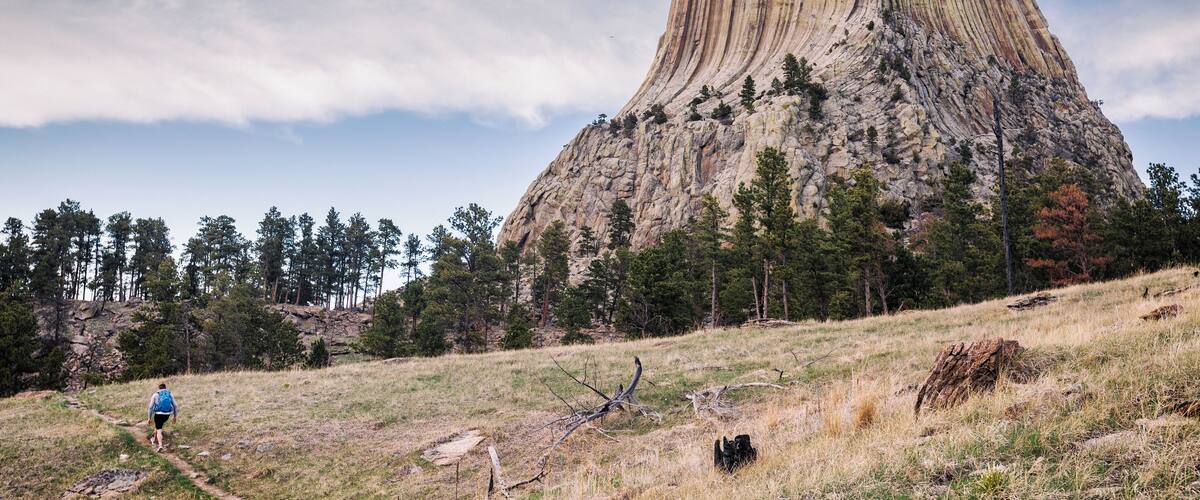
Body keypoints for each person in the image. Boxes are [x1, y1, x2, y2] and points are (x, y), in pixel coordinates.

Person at [147, 383, 178, 452]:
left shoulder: (155, 394)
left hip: (158, 414)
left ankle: (160, 446)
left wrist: (149, 418)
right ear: (165, 388)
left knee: (159, 430)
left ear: (159, 388)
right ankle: (153, 439)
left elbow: (150, 407)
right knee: (159, 426)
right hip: (167, 414)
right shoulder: (169, 394)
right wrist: (175, 416)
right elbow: (175, 406)